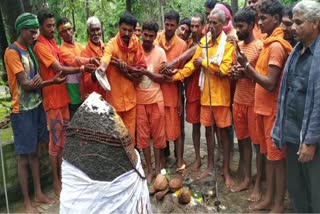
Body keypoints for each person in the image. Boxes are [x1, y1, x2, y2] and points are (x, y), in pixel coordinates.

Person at [4, 12, 65, 212]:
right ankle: (27, 201)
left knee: (36, 152)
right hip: (21, 110)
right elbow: (26, 83)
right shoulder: (12, 52)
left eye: (35, 31)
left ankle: (38, 193)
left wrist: (39, 82)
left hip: (36, 106)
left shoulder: (29, 49)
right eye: (32, 31)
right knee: (24, 156)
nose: (35, 34)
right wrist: (50, 82)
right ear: (22, 30)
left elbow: (35, 81)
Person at [236, 0, 292, 212]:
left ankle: (278, 203)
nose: (259, 23)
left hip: (273, 113)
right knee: (269, 157)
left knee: (277, 160)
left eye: (263, 19)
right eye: (258, 18)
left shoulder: (276, 47)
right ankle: (269, 198)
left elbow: (269, 83)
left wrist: (246, 66)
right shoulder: (270, 43)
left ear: (276, 20)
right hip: (263, 111)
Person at [171, 8, 235, 186]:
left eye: (215, 23)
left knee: (223, 135)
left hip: (221, 98)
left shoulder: (228, 43)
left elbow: (224, 70)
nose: (211, 26)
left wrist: (205, 63)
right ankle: (210, 167)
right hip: (205, 96)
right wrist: (175, 75)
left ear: (223, 24)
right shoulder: (205, 41)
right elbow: (192, 64)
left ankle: (226, 171)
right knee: (208, 132)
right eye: (210, 22)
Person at [34, 9, 95, 196]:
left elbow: (74, 59)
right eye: (49, 26)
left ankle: (65, 177)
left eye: (53, 25)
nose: (52, 29)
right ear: (41, 27)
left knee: (64, 142)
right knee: (55, 143)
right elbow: (60, 67)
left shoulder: (52, 42)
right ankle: (56, 181)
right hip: (52, 100)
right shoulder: (40, 46)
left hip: (64, 99)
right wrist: (84, 67)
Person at [272, 1, 320, 212]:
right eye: (293, 22)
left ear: (315, 24)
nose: (293, 27)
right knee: (297, 191)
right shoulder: (295, 52)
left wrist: (311, 141)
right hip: (292, 137)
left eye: (299, 23)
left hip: (313, 142)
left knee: (316, 193)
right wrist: (279, 129)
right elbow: (285, 95)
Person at [97, 12, 147, 146]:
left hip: (131, 100)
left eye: (130, 30)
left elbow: (141, 67)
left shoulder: (136, 43)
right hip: (115, 102)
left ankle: (130, 165)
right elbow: (106, 57)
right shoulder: (112, 44)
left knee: (130, 138)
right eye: (124, 29)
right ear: (119, 27)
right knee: (115, 139)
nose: (126, 33)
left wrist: (128, 69)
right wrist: (102, 68)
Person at [229, 9, 263, 203]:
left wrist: (243, 72)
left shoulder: (260, 46)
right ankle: (247, 178)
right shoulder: (238, 45)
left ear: (251, 25)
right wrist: (235, 72)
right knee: (242, 142)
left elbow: (261, 75)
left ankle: (258, 185)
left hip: (254, 102)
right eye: (236, 26)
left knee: (257, 145)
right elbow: (238, 69)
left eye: (240, 26)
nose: (237, 30)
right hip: (238, 100)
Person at [155, 10, 187, 171]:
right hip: (157, 91)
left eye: (172, 25)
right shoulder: (156, 40)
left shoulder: (182, 45)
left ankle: (179, 159)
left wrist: (180, 99)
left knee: (176, 129)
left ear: (176, 26)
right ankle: (162, 160)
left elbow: (182, 74)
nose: (168, 28)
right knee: (160, 128)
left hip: (173, 92)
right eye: (166, 24)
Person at [136, 20, 167, 184]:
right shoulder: (135, 51)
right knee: (143, 138)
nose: (147, 38)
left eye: (151, 36)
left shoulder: (160, 52)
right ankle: (149, 169)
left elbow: (164, 77)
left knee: (158, 137)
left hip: (156, 99)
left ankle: (157, 170)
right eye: (145, 35)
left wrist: (147, 74)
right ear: (141, 34)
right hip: (139, 101)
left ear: (155, 36)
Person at [57, 17, 100, 118]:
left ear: (73, 29)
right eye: (64, 31)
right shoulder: (62, 50)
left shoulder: (80, 46)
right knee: (76, 121)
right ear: (60, 35)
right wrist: (90, 60)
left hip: (84, 89)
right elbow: (75, 61)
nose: (67, 32)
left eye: (69, 29)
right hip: (73, 92)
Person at [80, 16, 105, 100]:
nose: (96, 33)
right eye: (92, 30)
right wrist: (97, 72)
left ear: (101, 30)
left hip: (107, 94)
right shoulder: (85, 53)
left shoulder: (105, 47)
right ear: (88, 32)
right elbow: (87, 81)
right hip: (94, 96)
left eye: (98, 29)